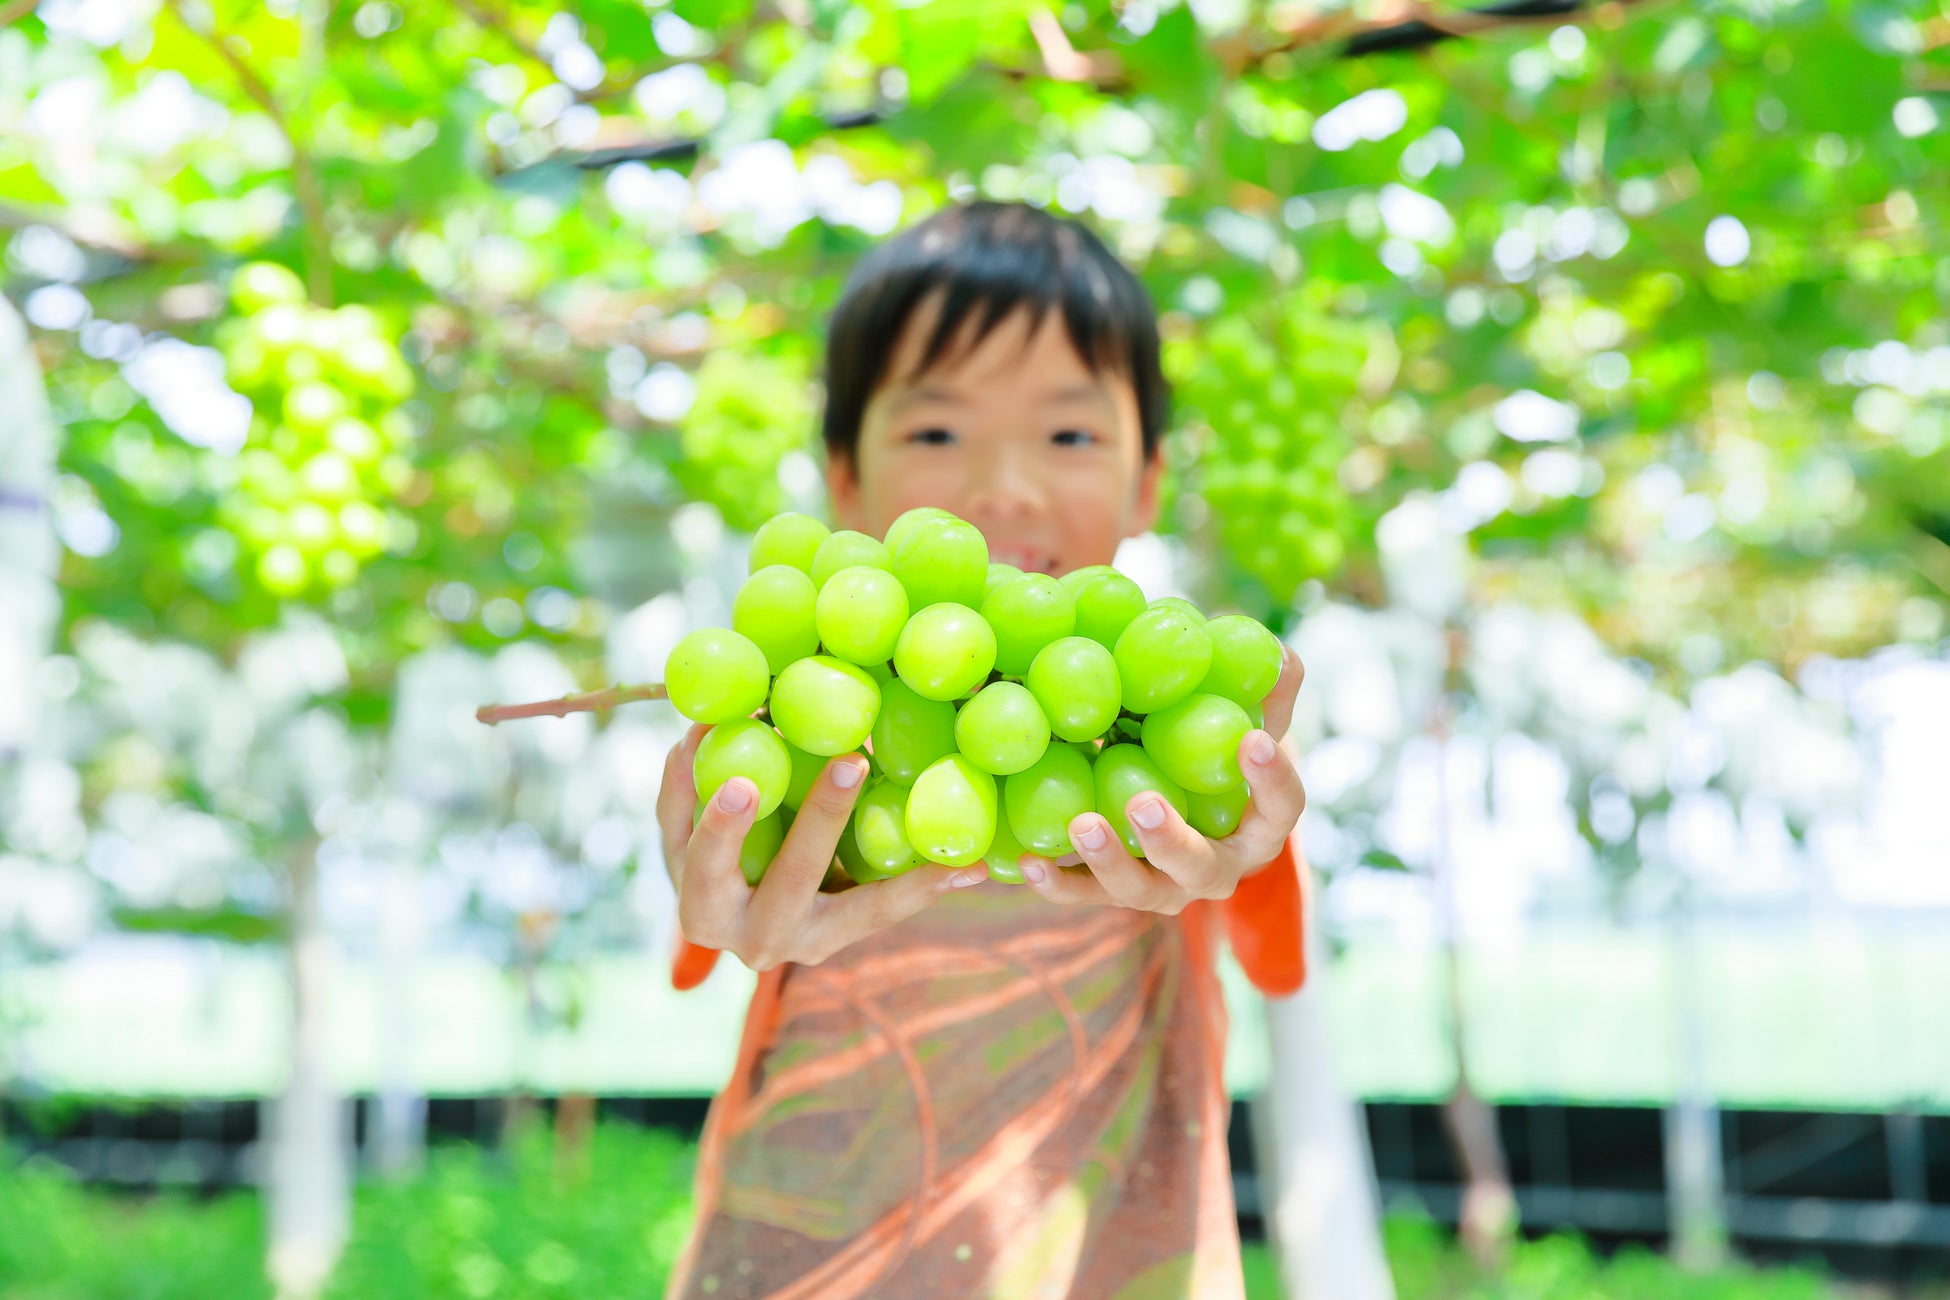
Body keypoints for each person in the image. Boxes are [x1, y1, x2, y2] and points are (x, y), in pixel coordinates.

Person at [656, 200, 1309, 1299]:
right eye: (936, 431)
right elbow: (707, 918)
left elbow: (1273, 944)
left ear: (1148, 478)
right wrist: (716, 878)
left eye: (1067, 434)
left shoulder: (1170, 737)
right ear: (844, 480)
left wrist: (1243, 840)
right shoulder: (810, 728)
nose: (1002, 485)